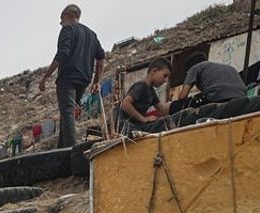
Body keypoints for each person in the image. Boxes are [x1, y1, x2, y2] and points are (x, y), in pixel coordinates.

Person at [38, 4, 105, 148]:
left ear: (68, 15)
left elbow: (62, 53)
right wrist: (96, 81)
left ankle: (71, 148)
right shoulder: (91, 34)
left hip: (68, 78)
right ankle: (63, 148)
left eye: (61, 18)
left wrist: (45, 77)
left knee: (67, 112)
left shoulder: (67, 29)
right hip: (84, 80)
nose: (60, 22)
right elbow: (101, 57)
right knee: (67, 112)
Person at [118, 58, 172, 133]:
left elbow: (162, 110)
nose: (165, 80)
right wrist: (143, 119)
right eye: (164, 76)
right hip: (127, 126)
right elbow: (125, 104)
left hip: (137, 125)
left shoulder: (151, 91)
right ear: (154, 71)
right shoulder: (142, 86)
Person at [176, 52, 247, 104]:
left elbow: (182, 96)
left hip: (219, 99)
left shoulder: (194, 68)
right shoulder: (229, 67)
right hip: (242, 98)